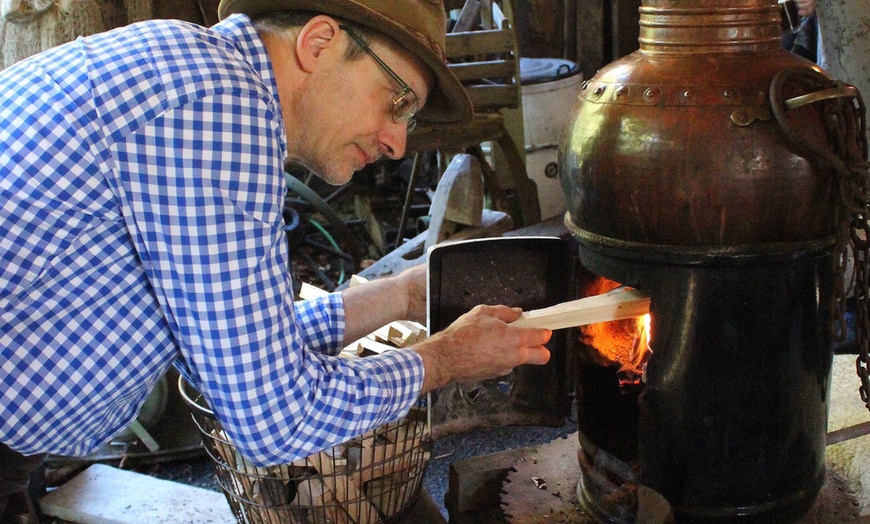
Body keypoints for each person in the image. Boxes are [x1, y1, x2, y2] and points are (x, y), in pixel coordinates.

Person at [0, 0, 553, 519]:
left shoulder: (203, 82)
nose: (397, 143)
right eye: (397, 102)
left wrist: (402, 295)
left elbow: (244, 357)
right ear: (318, 43)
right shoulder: (217, 110)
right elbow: (275, 418)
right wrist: (445, 360)